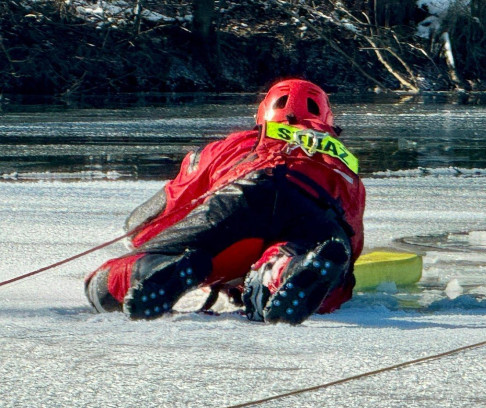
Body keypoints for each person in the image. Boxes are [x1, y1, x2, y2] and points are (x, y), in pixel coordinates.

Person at [85, 78, 365, 324]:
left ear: (264, 114)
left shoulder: (237, 143)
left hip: (244, 198)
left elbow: (170, 203)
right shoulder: (345, 164)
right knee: (322, 270)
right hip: (319, 212)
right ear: (327, 120)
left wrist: (149, 242)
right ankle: (284, 271)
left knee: (101, 284)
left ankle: (160, 269)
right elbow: (352, 241)